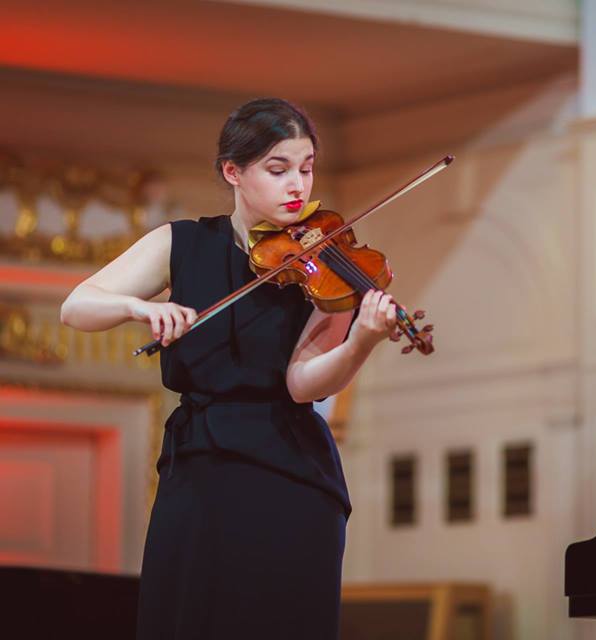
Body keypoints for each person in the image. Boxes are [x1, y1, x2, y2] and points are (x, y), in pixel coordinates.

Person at [60, 97, 396, 638]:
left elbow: (301, 381)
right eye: (278, 169)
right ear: (233, 172)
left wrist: (363, 341)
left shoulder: (328, 263)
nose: (298, 187)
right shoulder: (182, 243)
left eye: (306, 169)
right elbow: (76, 307)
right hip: (201, 462)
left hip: (292, 473)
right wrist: (140, 306)